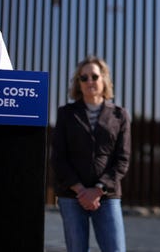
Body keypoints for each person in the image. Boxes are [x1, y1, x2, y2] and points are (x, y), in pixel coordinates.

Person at [50, 55, 131, 252]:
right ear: (78, 83)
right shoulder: (66, 113)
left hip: (107, 195)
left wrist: (98, 190)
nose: (89, 82)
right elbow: (58, 158)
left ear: (104, 79)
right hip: (71, 195)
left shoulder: (120, 115)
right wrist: (81, 191)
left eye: (94, 76)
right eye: (83, 78)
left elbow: (122, 159)